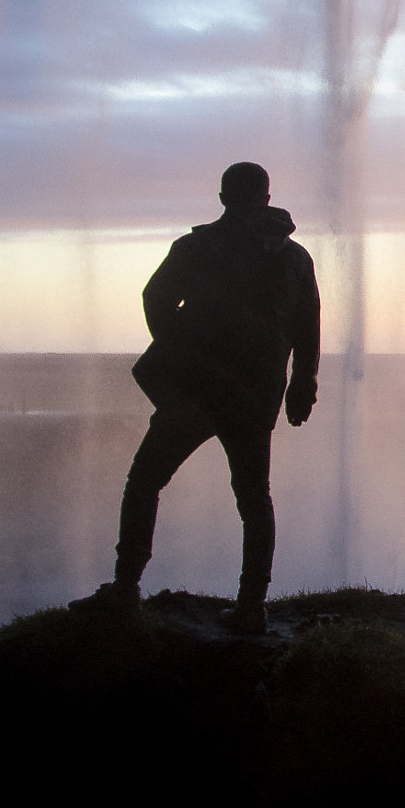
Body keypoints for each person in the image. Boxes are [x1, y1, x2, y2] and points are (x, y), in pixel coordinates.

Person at [71, 161, 319, 634]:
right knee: (253, 496)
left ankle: (125, 589)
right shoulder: (295, 257)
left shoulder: (196, 248)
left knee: (145, 482)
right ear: (266, 198)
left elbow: (154, 297)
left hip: (198, 391)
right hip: (258, 394)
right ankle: (252, 607)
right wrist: (302, 383)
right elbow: (307, 326)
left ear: (223, 197)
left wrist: (176, 348)